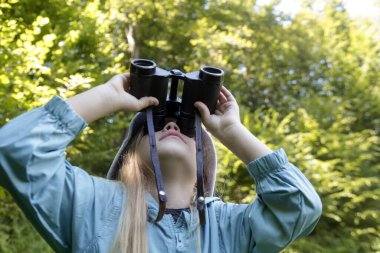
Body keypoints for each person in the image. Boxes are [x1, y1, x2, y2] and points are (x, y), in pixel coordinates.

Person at [0, 73, 322, 253]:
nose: (170, 126)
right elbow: (15, 150)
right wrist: (106, 97)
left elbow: (298, 207)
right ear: (129, 153)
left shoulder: (227, 227)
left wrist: (232, 132)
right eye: (153, 126)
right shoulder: (94, 204)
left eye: (185, 127)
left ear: (204, 162)